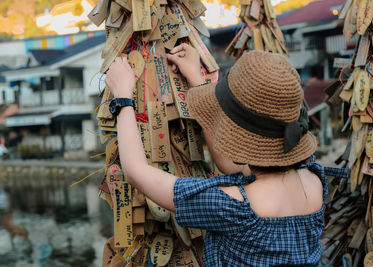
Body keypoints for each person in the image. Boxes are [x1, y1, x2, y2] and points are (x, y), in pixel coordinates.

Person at [105, 44, 348, 266]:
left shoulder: (230, 206)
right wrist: (197, 80)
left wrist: (123, 98)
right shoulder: (314, 179)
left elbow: (136, 172)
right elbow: (227, 163)